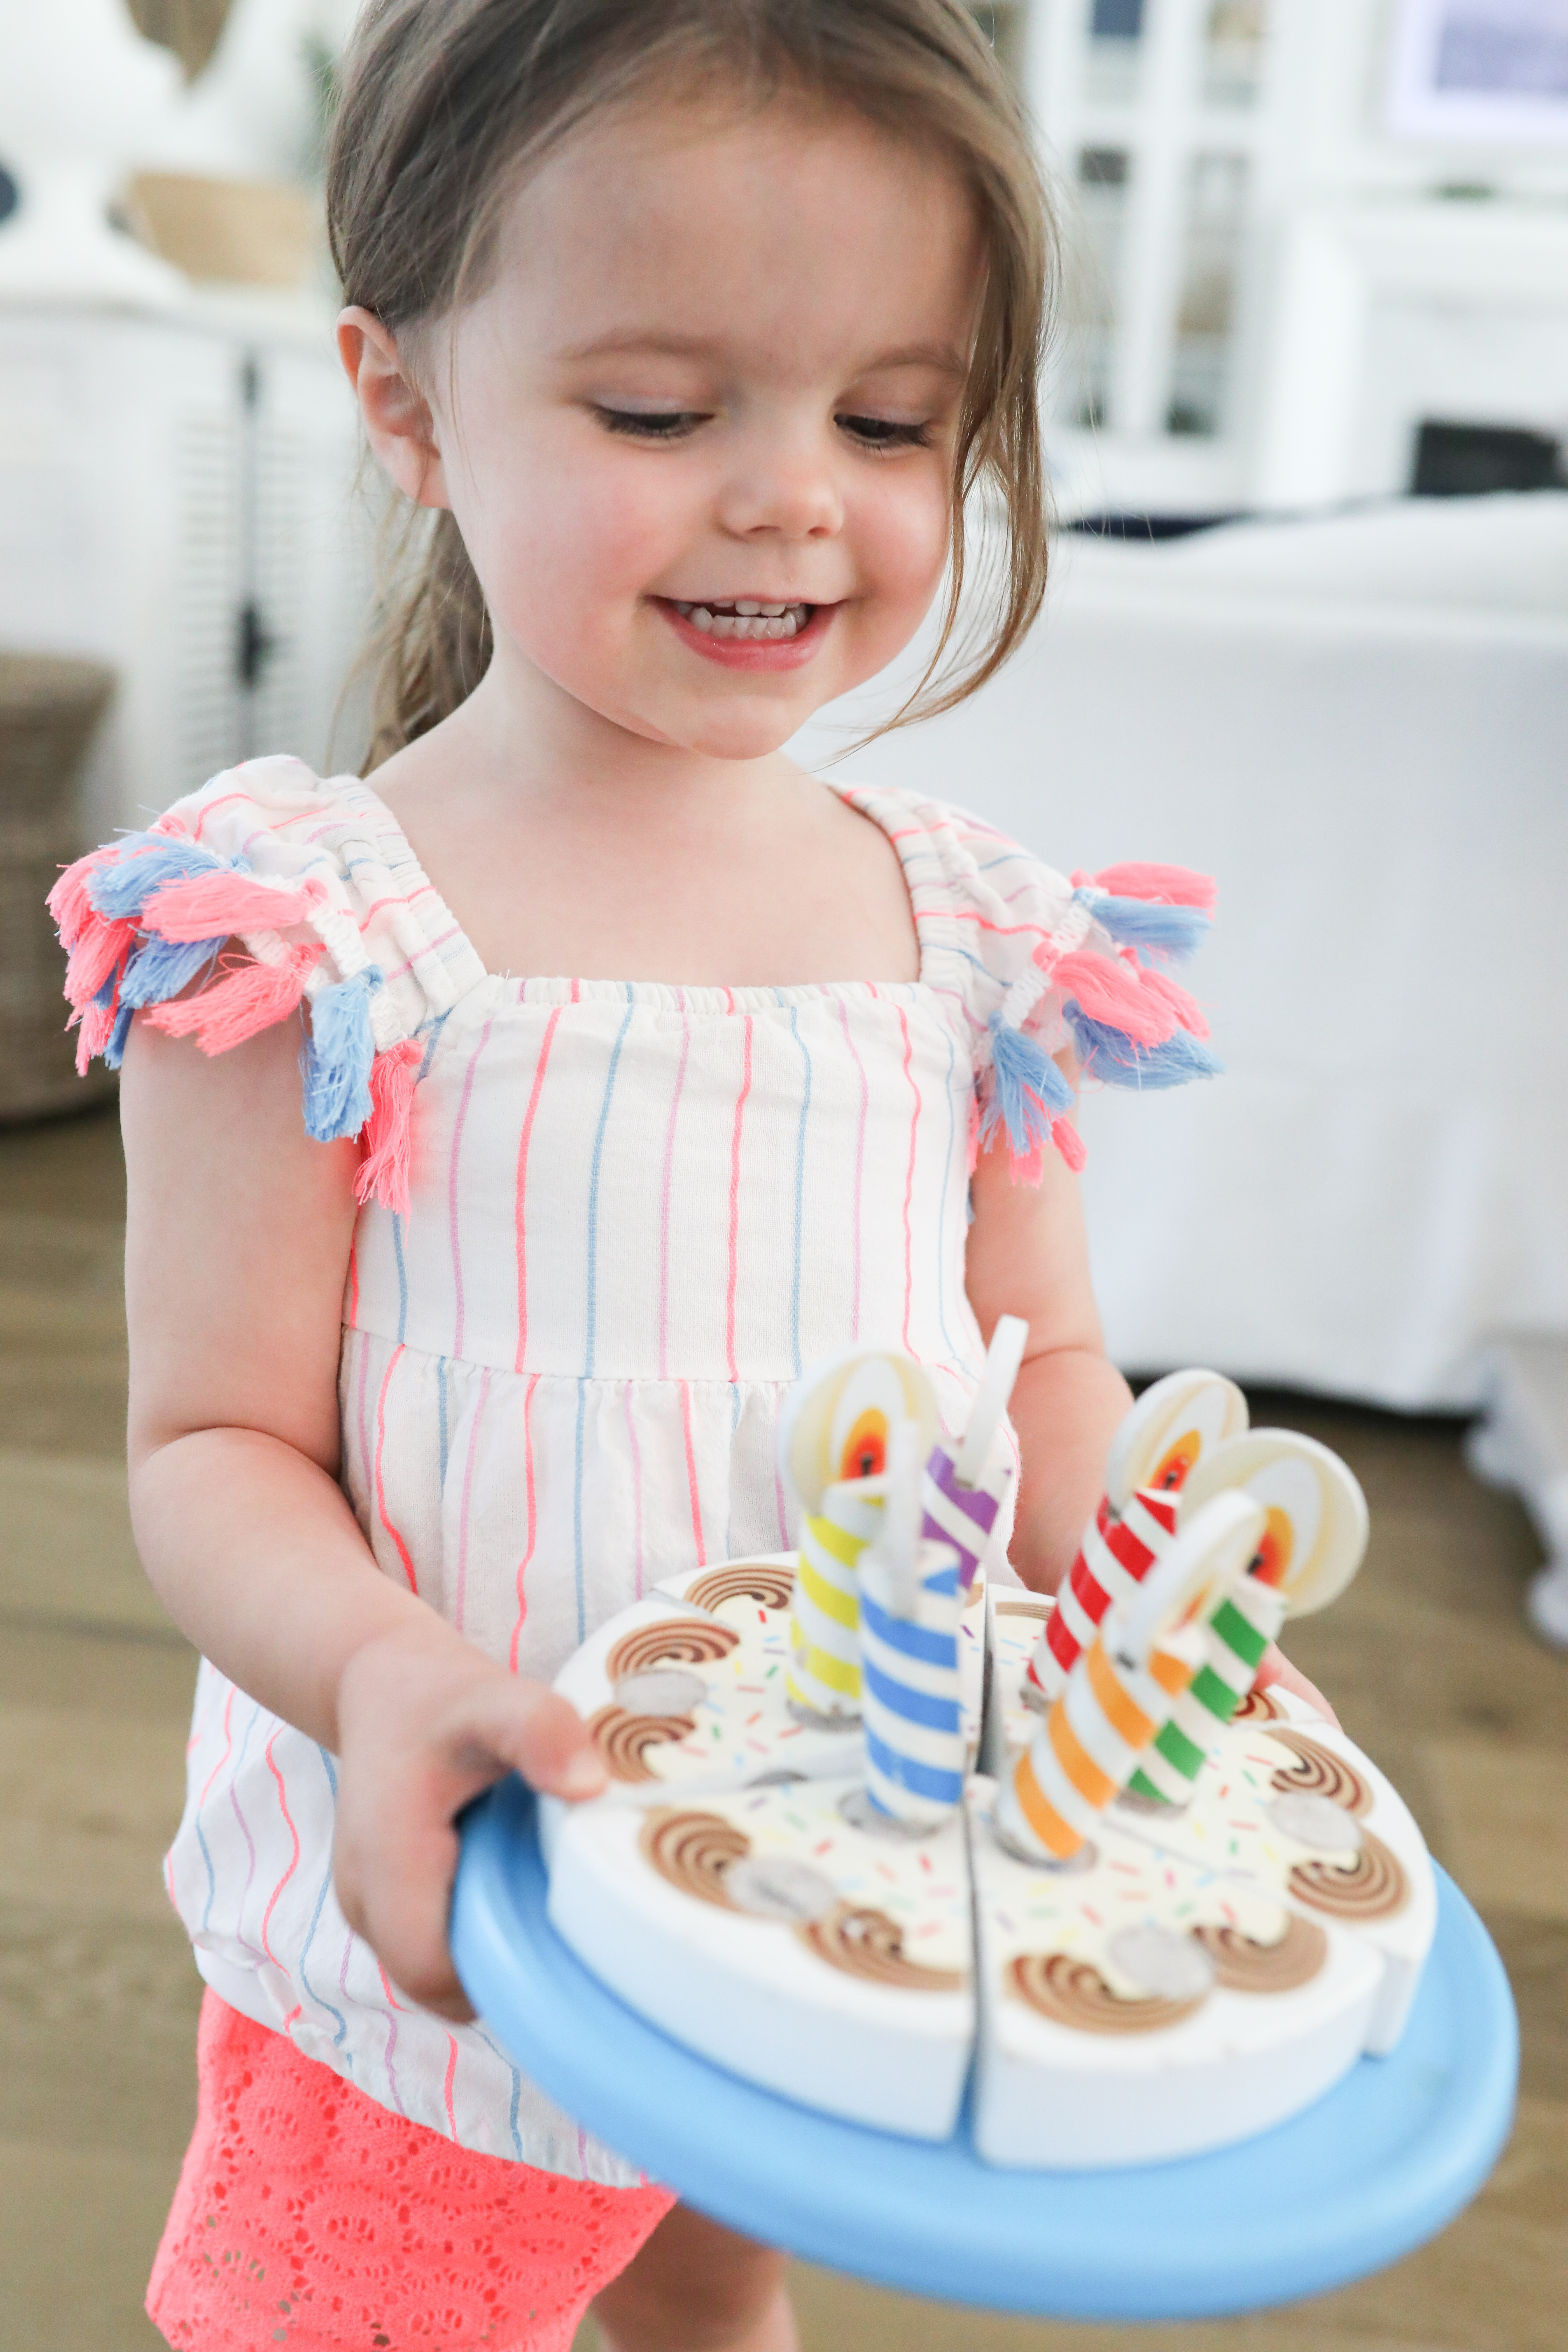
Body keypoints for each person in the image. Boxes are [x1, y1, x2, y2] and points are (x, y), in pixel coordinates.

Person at [52, 3, 1327, 2345]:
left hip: (806, 1874)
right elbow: (211, 1444)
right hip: (452, 1912)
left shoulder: (970, 936)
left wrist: (1155, 1621)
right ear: (407, 401)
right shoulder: (316, 935)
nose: (790, 497)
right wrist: (385, 1673)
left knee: (708, 2292)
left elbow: (1041, 1361)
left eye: (892, 420)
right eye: (660, 413)